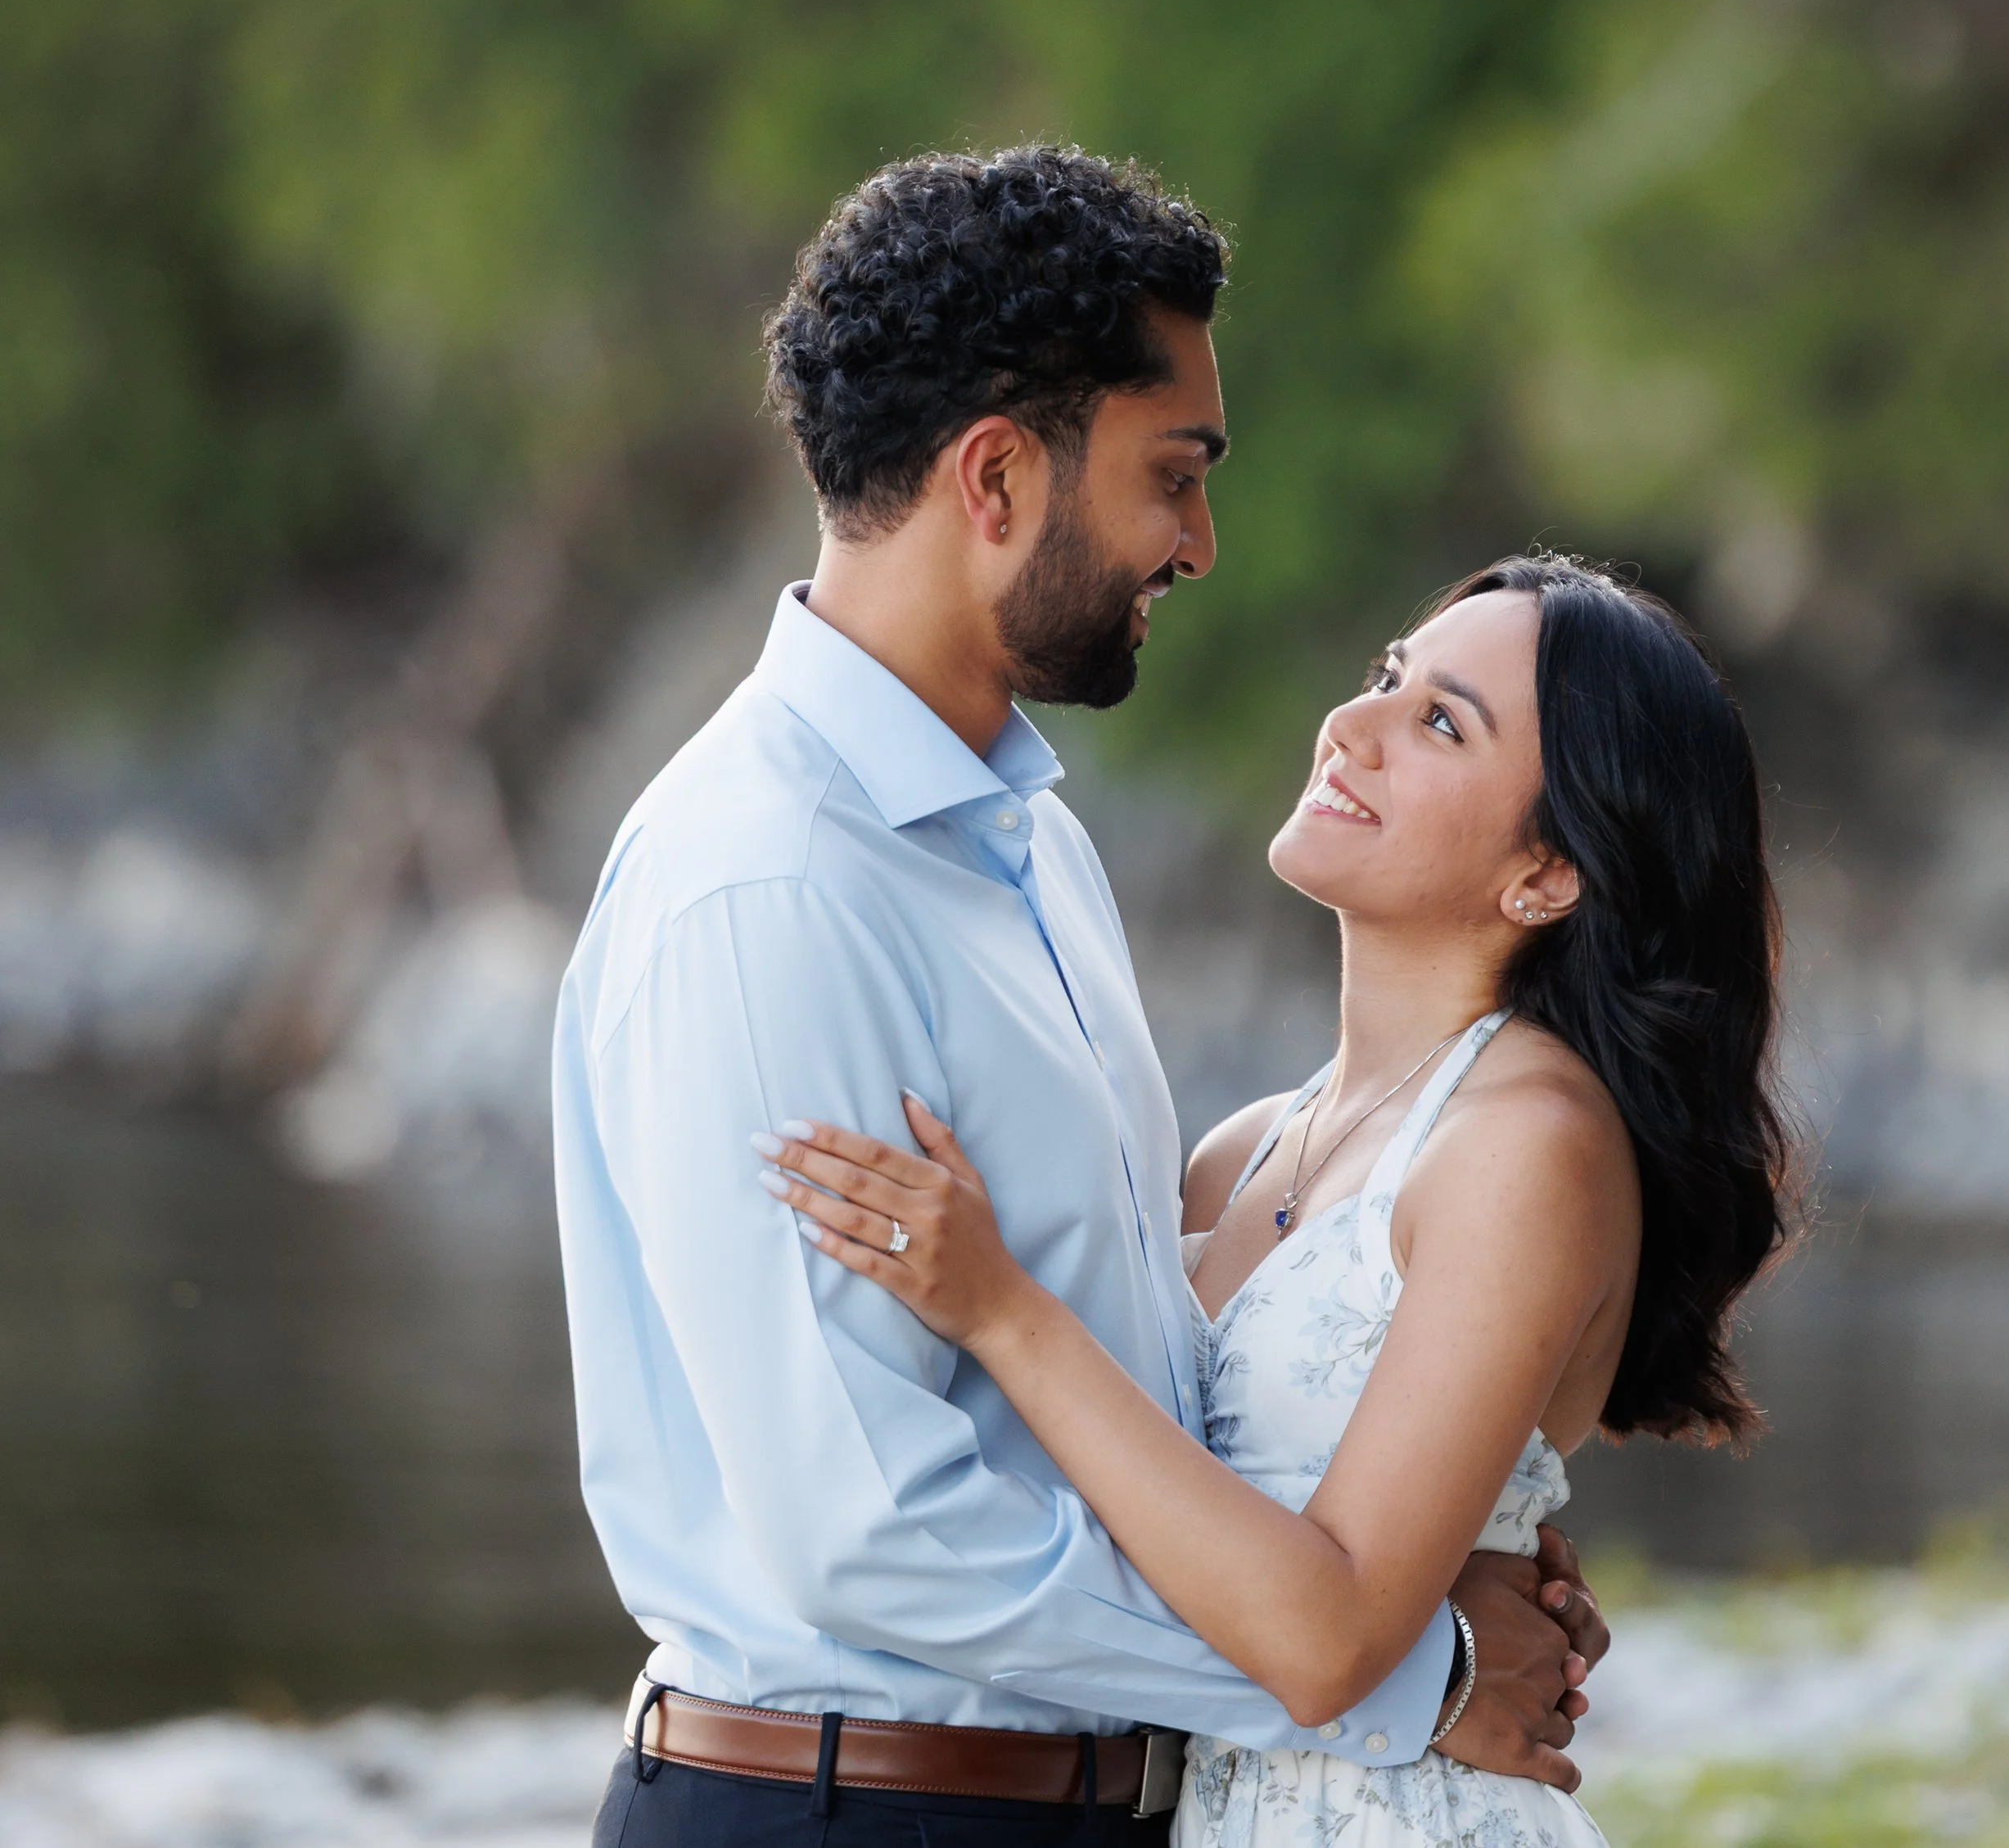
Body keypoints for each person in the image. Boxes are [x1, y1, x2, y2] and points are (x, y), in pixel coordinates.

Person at [554, 147, 1605, 1848]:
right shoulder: (769, 885)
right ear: (991, 479)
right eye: (1168, 476)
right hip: (845, 1812)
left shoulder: (1028, 850)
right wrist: (1384, 1675)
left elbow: (1138, 1364)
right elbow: (863, 1525)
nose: (1195, 542)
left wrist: (1429, 1540)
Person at [763, 554, 1790, 1848]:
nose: (1350, 727)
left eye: (1438, 723)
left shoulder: (1531, 1141)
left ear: (1550, 871)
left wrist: (1003, 1309)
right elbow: (1164, 1536)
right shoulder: (1242, 1152)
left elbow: (1328, 1634)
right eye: (1384, 677)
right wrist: (1458, 1630)